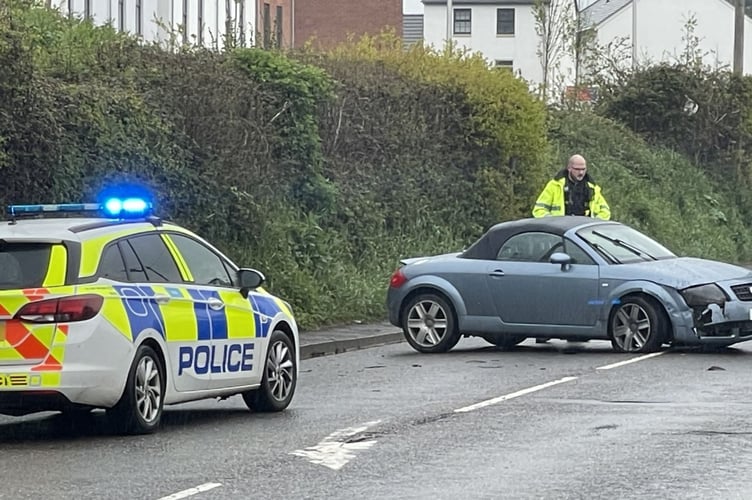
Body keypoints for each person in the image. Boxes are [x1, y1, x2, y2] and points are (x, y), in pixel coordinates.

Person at [532, 154, 611, 220]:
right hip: (561, 231)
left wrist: (593, 223)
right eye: (577, 169)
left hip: (583, 231)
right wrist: (554, 222)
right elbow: (539, 210)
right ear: (569, 168)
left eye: (583, 169)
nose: (581, 172)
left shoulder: (592, 188)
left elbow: (605, 211)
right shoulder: (555, 185)